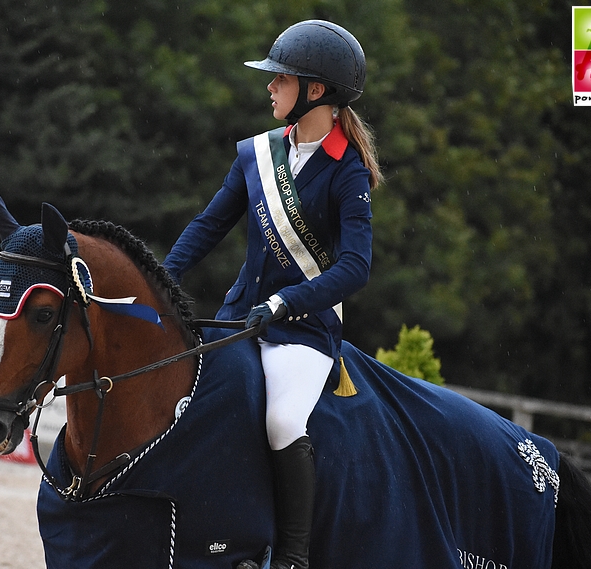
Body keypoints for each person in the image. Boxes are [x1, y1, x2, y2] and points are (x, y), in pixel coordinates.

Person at [163, 19, 381, 569]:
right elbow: (209, 225)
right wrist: (162, 278)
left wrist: (286, 302)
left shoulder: (347, 172)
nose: (269, 86)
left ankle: (292, 555)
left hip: (303, 330)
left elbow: (356, 267)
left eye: (279, 78)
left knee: (283, 420)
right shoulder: (257, 154)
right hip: (240, 316)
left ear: (314, 91)